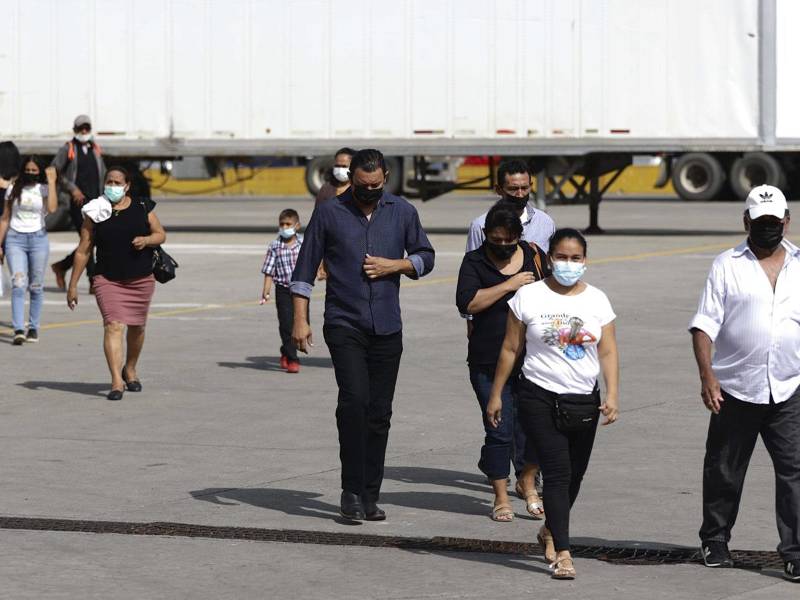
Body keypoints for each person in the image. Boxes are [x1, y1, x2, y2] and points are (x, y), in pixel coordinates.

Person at [291, 148, 435, 522]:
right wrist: (299, 320)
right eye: (361, 185)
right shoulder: (329, 211)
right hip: (344, 321)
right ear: (350, 178)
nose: (368, 190)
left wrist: (398, 265)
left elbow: (426, 256)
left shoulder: (402, 211)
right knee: (354, 402)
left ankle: (371, 494)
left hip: (387, 324)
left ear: (385, 177)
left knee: (379, 413)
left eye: (375, 185)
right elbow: (304, 268)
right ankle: (351, 490)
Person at [488, 228, 619, 580]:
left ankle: (550, 530)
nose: (568, 264)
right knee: (558, 474)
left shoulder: (597, 300)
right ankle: (562, 550)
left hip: (583, 401)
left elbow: (607, 350)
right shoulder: (528, 297)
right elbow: (510, 349)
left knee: (576, 474)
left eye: (576, 258)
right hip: (538, 396)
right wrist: (497, 393)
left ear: (585, 261)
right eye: (561, 256)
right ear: (548, 257)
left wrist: (613, 394)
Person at [689, 184, 800, 581]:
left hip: (789, 388)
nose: (768, 228)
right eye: (760, 222)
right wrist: (708, 376)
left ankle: (795, 551)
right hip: (735, 388)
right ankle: (715, 540)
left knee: (794, 470)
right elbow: (704, 325)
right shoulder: (727, 264)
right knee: (724, 468)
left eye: (774, 222)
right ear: (746, 221)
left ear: (786, 221)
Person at [456, 202, 550, 523]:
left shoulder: (535, 256)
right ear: (486, 235)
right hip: (488, 361)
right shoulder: (475, 261)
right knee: (499, 429)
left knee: (535, 427)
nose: (503, 247)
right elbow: (467, 301)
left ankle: (528, 480)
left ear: (518, 236)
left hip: (533, 359)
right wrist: (508, 286)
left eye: (509, 241)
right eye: (496, 240)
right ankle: (500, 495)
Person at [66, 167, 166, 401]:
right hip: (107, 279)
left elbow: (161, 234)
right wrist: (72, 285)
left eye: (117, 182)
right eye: (109, 182)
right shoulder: (95, 211)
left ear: (127, 185)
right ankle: (116, 380)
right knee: (113, 325)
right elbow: (83, 250)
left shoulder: (142, 207)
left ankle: (130, 368)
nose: (112, 186)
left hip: (141, 279)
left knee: (137, 328)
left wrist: (147, 239)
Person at [0, 157, 58, 344]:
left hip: (38, 240)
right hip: (15, 239)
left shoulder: (43, 189)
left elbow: (52, 208)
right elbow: (5, 218)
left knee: (36, 285)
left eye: (35, 170)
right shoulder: (13, 189)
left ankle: (33, 327)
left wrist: (51, 181)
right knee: (18, 283)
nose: (31, 173)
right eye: (28, 169)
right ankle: (18, 328)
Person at [51, 114, 107, 289]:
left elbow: (103, 172)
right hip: (77, 204)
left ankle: (62, 265)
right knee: (88, 237)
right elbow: (55, 170)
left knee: (94, 239)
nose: (84, 131)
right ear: (75, 129)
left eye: (87, 128)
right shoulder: (68, 148)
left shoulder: (94, 149)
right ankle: (93, 280)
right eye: (81, 128)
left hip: (95, 201)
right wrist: (72, 188)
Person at [465, 159, 555, 252]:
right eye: (513, 189)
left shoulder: (545, 222)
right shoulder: (480, 226)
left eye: (524, 188)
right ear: (499, 190)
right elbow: (473, 263)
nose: (520, 194)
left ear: (531, 186)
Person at [260, 208, 304, 373]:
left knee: (300, 323)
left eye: (288, 224)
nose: (285, 227)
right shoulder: (275, 245)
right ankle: (293, 359)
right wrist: (266, 289)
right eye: (282, 224)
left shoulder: (303, 244)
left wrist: (321, 269)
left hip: (301, 290)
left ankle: (286, 350)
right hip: (283, 290)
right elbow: (269, 270)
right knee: (286, 324)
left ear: (297, 226)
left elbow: (313, 260)